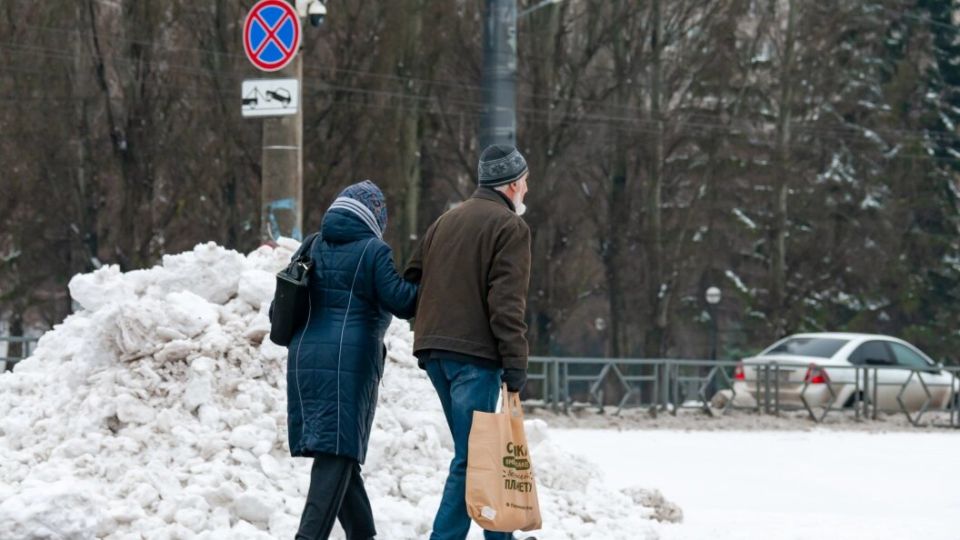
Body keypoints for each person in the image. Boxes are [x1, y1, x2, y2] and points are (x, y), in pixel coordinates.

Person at [404, 144, 534, 540]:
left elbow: (411, 278)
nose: (527, 190)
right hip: (473, 357)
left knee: (479, 452)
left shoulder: (445, 221)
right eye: (525, 182)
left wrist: (433, 319)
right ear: (510, 184)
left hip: (434, 352)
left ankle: (501, 534)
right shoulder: (509, 227)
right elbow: (506, 304)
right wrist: (516, 363)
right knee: (473, 456)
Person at [283, 180, 418, 540]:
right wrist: (424, 276)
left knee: (338, 452)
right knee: (338, 452)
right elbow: (402, 301)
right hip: (348, 363)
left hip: (304, 359)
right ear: (375, 218)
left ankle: (364, 535)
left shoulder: (311, 244)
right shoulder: (374, 251)